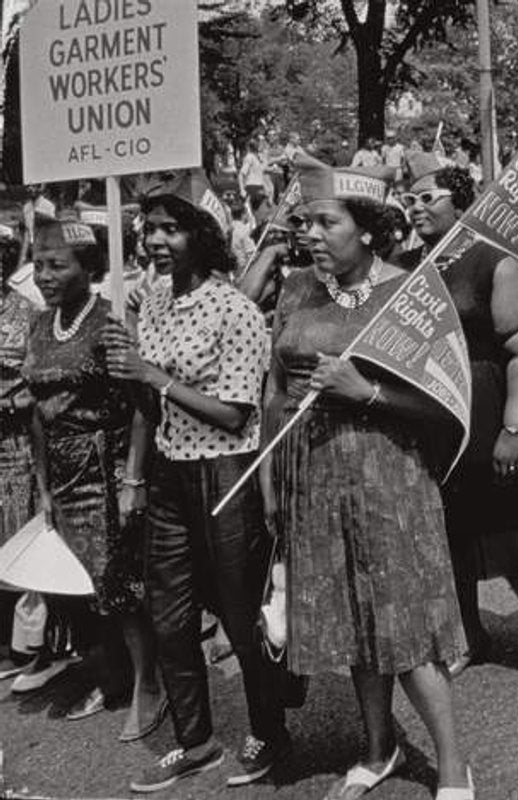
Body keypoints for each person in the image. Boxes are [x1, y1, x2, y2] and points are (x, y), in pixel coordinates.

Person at [259, 155, 473, 800]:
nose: (313, 235)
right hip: (310, 474)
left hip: (389, 479)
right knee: (351, 621)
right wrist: (272, 476)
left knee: (404, 630)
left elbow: (448, 407)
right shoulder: (297, 289)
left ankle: (454, 767)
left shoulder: (412, 295)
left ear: (370, 230)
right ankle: (378, 750)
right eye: (306, 223)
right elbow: (274, 391)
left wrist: (366, 390)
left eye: (327, 222)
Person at [102, 170, 289, 792]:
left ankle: (269, 732)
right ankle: (196, 740)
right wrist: (128, 373)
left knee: (240, 614)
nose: (156, 240)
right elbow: (150, 407)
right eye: (150, 228)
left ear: (202, 236)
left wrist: (151, 375)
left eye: (171, 229)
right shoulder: (152, 300)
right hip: (169, 473)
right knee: (169, 616)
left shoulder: (235, 309)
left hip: (226, 472)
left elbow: (237, 412)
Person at [399, 151, 518, 706]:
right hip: (436, 422)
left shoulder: (491, 263)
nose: (416, 207)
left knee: (512, 538)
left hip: (490, 413)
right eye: (409, 199)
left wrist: (512, 429)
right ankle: (469, 633)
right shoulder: (407, 265)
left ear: (461, 199)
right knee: (451, 533)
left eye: (428, 197)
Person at [23, 214, 164, 739]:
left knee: (119, 587)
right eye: (39, 264)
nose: (44, 274)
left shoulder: (110, 322)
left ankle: (150, 687)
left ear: (90, 268)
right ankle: (113, 677)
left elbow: (142, 408)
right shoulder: (41, 324)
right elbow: (39, 411)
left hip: (106, 471)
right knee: (80, 587)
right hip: (59, 472)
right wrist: (42, 487)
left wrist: (132, 480)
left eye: (57, 264)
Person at [0, 203, 41, 681]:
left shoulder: (25, 314)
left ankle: (28, 646)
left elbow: (36, 382)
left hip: (16, 445)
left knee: (20, 537)